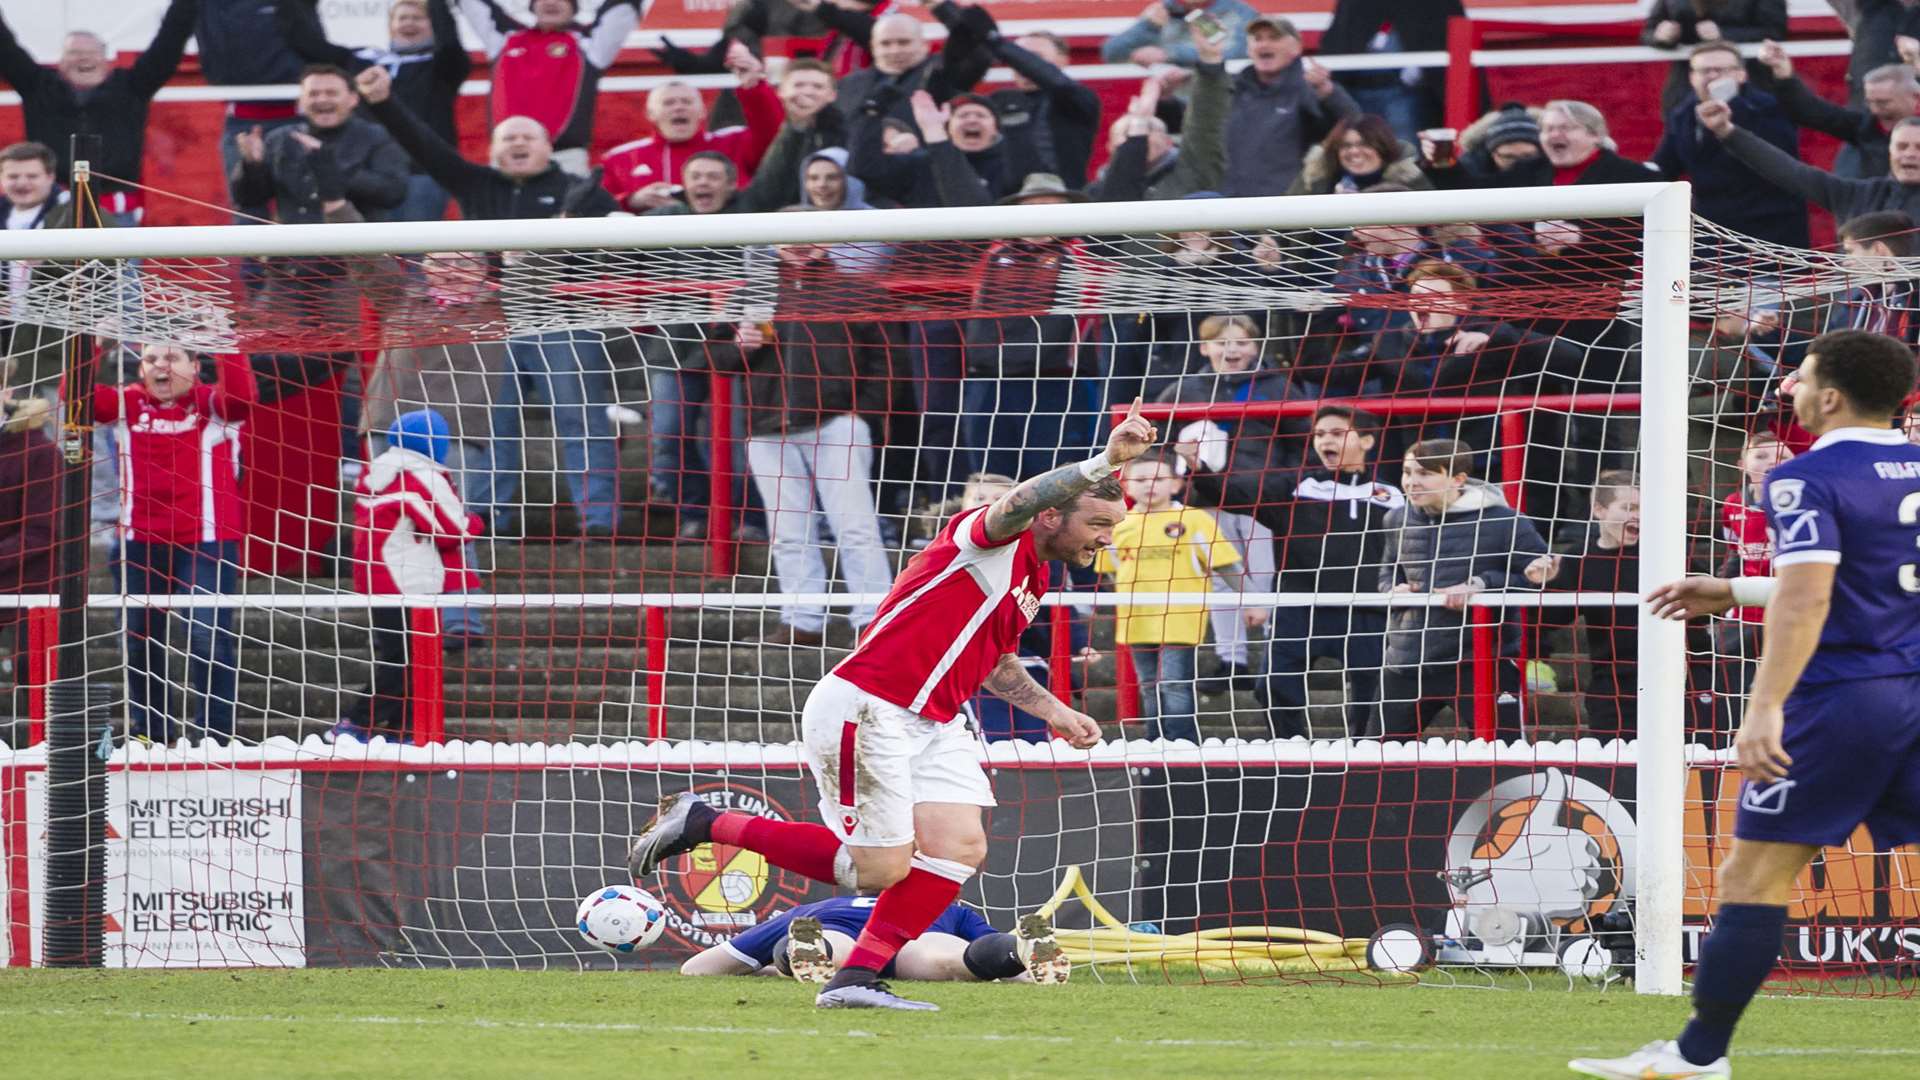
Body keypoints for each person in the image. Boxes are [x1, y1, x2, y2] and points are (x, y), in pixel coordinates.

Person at [631, 403, 1155, 1011]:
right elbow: (1015, 502)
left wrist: (1055, 712)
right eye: (1098, 522)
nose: (1104, 538)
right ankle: (706, 824)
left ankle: (854, 979)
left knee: (960, 848)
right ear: (1050, 515)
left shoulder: (1033, 576)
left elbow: (990, 659)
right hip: (871, 706)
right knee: (879, 870)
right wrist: (1105, 460)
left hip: (935, 720)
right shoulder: (984, 537)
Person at [1573, 329, 1920, 1080]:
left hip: (1845, 700)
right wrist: (1732, 588)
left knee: (1753, 879)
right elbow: (1880, 578)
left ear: (1829, 396)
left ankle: (1698, 1056)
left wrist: (1765, 710)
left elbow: (1808, 597)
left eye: (1798, 377)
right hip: (1913, 686)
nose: (1787, 388)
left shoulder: (1800, 479)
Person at [355, 64, 620, 539]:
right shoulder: (478, 184)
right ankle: (488, 519)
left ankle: (599, 523)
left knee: (580, 416)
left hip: (559, 318)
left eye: (527, 137)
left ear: (549, 147)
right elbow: (425, 148)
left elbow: (618, 255)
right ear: (493, 149)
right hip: (485, 324)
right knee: (487, 422)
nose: (517, 144)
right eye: (507, 138)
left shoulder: (582, 194)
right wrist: (382, 102)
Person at [703, 236, 898, 647]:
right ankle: (802, 620)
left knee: (856, 526)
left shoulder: (855, 290)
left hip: (835, 424)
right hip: (767, 428)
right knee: (787, 531)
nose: (798, 243)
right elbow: (716, 359)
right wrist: (740, 346)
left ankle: (874, 619)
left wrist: (860, 413)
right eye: (789, 235)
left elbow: (887, 359)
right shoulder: (750, 293)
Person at [1183, 406, 1401, 740]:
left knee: (1372, 696)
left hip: (1368, 607)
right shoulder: (1295, 487)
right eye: (1320, 434)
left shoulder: (1394, 495)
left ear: (1367, 441)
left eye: (1337, 433)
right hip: (1300, 606)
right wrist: (1199, 469)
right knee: (1272, 687)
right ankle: (1290, 750)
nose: (1326, 440)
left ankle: (1367, 755)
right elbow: (1235, 495)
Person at [96, 346, 256, 745]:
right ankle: (151, 732)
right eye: (151, 359)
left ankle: (214, 737)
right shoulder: (128, 403)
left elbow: (242, 398)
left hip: (206, 542)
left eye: (173, 358)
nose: (161, 366)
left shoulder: (211, 404)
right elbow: (77, 400)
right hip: (138, 543)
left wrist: (228, 343)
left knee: (206, 637)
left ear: (196, 367)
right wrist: (93, 343)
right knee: (138, 638)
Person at [1156, 314, 1306, 693]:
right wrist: (1172, 477)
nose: (1232, 350)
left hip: (1263, 501)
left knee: (1263, 579)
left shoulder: (1278, 386)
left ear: (1254, 347)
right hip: (1205, 501)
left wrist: (1284, 482)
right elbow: (1158, 439)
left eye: (1240, 342)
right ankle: (1232, 660)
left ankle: (1274, 658)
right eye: (1222, 343)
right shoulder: (1183, 389)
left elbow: (1302, 442)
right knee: (1221, 581)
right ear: (1204, 348)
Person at [1377, 438, 1551, 741]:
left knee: (1502, 758)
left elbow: (1538, 579)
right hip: (1406, 659)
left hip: (1481, 662)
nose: (1412, 482)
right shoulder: (1395, 518)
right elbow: (1388, 569)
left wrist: (1482, 585)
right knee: (1375, 758)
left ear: (1458, 479)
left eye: (1425, 473)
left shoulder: (1507, 521)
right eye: (1407, 473)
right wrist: (1393, 588)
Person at [332, 409, 483, 743]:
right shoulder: (423, 476)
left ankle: (406, 729)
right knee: (406, 658)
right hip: (407, 579)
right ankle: (356, 723)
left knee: (407, 656)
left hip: (378, 577)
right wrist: (476, 522)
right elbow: (451, 530)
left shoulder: (380, 473)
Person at [0, 0, 198, 224]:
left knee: (117, 261)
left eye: (91, 52)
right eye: (74, 53)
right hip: (52, 215)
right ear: (61, 60)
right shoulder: (38, 87)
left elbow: (169, 42)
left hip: (117, 215)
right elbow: (5, 48)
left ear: (106, 59)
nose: (83, 58)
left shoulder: (132, 87)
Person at [276, 0, 472, 222]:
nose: (410, 23)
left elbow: (448, 43)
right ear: (390, 25)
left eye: (418, 18)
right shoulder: (362, 60)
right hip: (370, 175)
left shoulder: (443, 66)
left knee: (410, 251)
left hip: (420, 174)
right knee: (365, 253)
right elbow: (306, 42)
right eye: (403, 18)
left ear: (433, 24)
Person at [1096, 453, 1242, 743]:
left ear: (1175, 484)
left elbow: (1224, 563)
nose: (1151, 485)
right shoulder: (1118, 524)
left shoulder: (1193, 518)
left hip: (1180, 615)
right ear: (1126, 486)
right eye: (1141, 479)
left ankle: (1182, 743)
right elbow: (1111, 570)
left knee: (1175, 682)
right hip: (1136, 617)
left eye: (1159, 478)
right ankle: (1155, 741)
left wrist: (1250, 600)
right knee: (1149, 684)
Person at [679, 896, 1068, 986]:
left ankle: (807, 951)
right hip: (916, 928)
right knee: (952, 958)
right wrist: (1024, 974)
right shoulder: (946, 903)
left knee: (834, 948)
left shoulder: (818, 905)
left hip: (837, 927)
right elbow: (988, 950)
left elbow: (697, 968)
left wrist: (763, 969)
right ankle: (1022, 947)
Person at [454, 0, 642, 175]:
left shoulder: (591, 44)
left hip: (565, 158)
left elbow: (622, 10)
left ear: (574, 7)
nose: (551, 2)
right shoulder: (504, 39)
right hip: (507, 155)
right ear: (532, 6)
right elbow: (473, 5)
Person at [1652, 42, 1808, 250]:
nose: (1713, 76)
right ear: (1692, 77)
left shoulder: (1767, 107)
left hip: (1768, 233)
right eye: (1705, 70)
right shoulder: (1683, 114)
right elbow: (1664, 167)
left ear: (1741, 75)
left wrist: (1729, 105)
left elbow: (1781, 154)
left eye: (1722, 70)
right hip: (1712, 235)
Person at [597, 45, 784, 213]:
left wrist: (754, 86)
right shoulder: (620, 158)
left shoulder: (734, 141)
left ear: (702, 111)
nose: (679, 107)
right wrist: (632, 201)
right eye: (669, 102)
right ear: (650, 114)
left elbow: (774, 135)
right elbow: (596, 205)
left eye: (686, 101)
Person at [231, 64, 412, 225]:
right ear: (301, 101)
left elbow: (393, 193)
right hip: (294, 256)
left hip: (358, 256)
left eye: (331, 93)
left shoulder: (377, 137)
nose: (322, 100)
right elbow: (249, 200)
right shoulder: (280, 138)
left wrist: (328, 166)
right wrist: (252, 166)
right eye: (313, 94)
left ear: (353, 99)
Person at [1539, 471, 1641, 740]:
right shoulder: (1578, 558)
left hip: (1678, 682)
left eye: (1644, 508)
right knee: (1615, 771)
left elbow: (1707, 611)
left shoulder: (1669, 551)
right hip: (1612, 685)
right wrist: (1547, 584)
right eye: (1629, 508)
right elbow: (1549, 621)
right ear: (1599, 509)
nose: (1638, 516)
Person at [1697, 99, 1920, 221]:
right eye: (1901, 146)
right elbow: (1790, 172)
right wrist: (1727, 131)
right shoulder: (1856, 194)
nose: (1909, 153)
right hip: (1856, 303)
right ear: (1890, 151)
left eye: (1919, 148)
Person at [1223, 16, 1360, 198]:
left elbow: (1354, 124)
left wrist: (1328, 92)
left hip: (1287, 207)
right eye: (1258, 39)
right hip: (1229, 204)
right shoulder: (1232, 89)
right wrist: (1170, 101)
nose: (1264, 45)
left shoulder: (1309, 89)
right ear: (1249, 49)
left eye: (1274, 38)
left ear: (1296, 48)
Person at [198, 0, 310, 222]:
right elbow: (211, 52)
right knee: (247, 212)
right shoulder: (214, 7)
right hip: (244, 122)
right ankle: (252, 259)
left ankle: (306, 259)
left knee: (302, 206)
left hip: (294, 118)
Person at [1713, 430, 1791, 743]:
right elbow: (1734, 554)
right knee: (1734, 687)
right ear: (1742, 463)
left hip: (1787, 611)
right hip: (1744, 615)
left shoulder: (1801, 502)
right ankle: (1730, 743)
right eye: (1761, 456)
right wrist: (1719, 591)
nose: (1772, 463)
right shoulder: (1732, 505)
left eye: (1782, 457)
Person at [1757, 43, 1917, 181]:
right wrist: (1784, 75)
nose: (1874, 109)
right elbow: (1812, 112)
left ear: (1915, 97)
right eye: (1869, 101)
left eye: (1883, 103)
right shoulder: (1865, 124)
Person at [1086, 49, 1228, 202]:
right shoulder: (1094, 193)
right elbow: (1119, 195)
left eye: (1149, 129)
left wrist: (1210, 63)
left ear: (1167, 141)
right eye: (1128, 132)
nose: (1140, 138)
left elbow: (1206, 128)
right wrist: (1140, 121)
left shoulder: (1190, 174)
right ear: (1111, 147)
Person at [1317, 0, 1464, 141]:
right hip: (1355, 91)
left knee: (1404, 151)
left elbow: (1444, 32)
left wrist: (1418, 69)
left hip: (1405, 93)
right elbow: (1340, 36)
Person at [0, 373, 58, 718]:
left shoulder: (39, 451)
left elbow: (43, 530)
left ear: (7, 391)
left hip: (29, 586)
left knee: (33, 671)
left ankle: (44, 755)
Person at [1641, 0, 1787, 114]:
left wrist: (1724, 34)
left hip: (1748, 83)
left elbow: (1775, 31)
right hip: (1686, 87)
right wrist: (1660, 36)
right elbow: (1648, 31)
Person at [1827, 210, 1920, 341]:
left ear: (1879, 250)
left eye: (1850, 252)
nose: (1845, 262)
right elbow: (1829, 347)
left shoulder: (1914, 300)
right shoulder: (1855, 298)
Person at [1287, 114, 1431, 196]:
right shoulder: (1315, 178)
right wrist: (1271, 242)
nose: (1354, 151)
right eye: (1346, 145)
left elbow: (1436, 231)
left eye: (1365, 144)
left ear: (1383, 147)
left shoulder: (1410, 180)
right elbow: (1280, 226)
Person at [1101, 0, 1257, 66]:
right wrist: (1148, 26)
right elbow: (1112, 53)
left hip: (1219, 103)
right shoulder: (1163, 11)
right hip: (1169, 107)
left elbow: (1238, 54)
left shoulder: (1240, 13)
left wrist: (1169, 54)